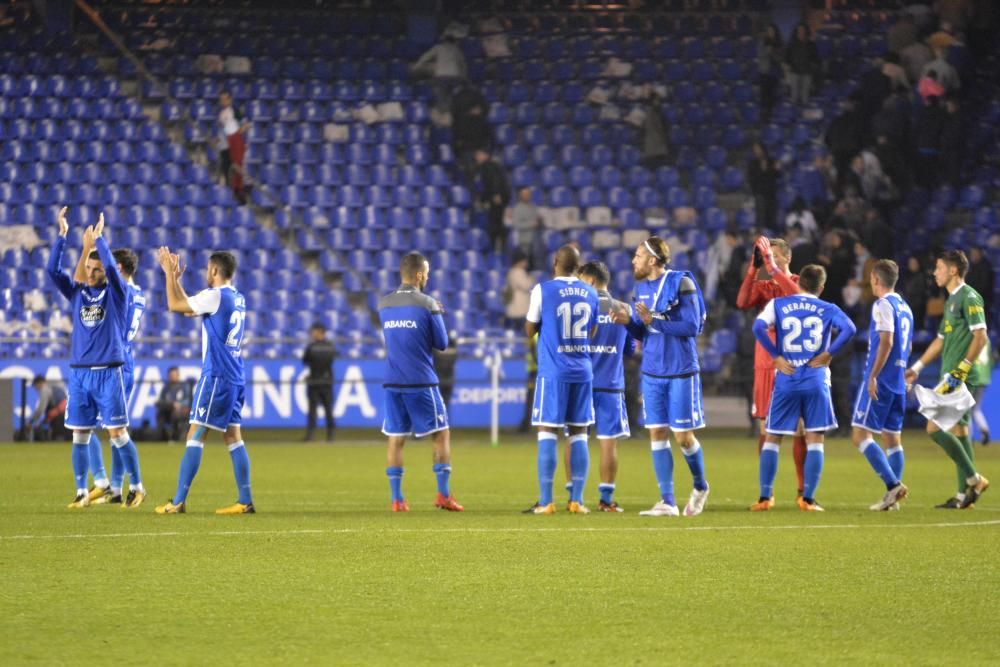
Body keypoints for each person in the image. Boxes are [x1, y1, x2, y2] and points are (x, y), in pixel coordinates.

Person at [46, 208, 146, 509]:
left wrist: (99, 240)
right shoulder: (77, 292)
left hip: (109, 371)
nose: (90, 274)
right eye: (88, 269)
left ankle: (135, 486)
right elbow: (53, 271)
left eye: (96, 269)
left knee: (117, 433)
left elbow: (114, 274)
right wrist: (63, 235)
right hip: (79, 372)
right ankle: (84, 491)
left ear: (107, 271)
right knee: (79, 432)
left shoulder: (117, 294)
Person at [612, 236, 710, 517]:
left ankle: (700, 485)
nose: (633, 260)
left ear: (652, 260)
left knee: (683, 437)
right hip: (652, 370)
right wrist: (629, 323)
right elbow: (645, 332)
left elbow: (691, 326)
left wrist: (653, 319)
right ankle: (667, 501)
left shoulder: (682, 283)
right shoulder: (640, 287)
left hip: (680, 368)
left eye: (638, 255)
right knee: (656, 432)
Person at [154, 247, 255, 515]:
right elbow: (189, 309)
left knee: (194, 434)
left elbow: (175, 306)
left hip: (217, 376)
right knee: (233, 436)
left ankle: (178, 501)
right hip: (235, 375)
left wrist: (167, 274)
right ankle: (245, 500)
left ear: (214, 270)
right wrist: (176, 280)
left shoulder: (214, 296)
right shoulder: (237, 297)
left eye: (207, 269)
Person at [751, 264, 857, 512]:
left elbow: (758, 327)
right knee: (815, 439)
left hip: (786, 378)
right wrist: (829, 353)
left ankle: (765, 497)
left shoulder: (779, 304)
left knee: (772, 437)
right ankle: (808, 499)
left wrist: (776, 355)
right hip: (815, 379)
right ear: (821, 287)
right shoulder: (828, 308)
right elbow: (850, 328)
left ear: (799, 284)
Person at [376, 251, 463, 513]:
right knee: (441, 434)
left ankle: (397, 499)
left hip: (392, 381)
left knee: (396, 437)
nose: (428, 277)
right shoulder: (428, 304)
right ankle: (443, 495)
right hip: (421, 381)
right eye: (427, 272)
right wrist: (436, 313)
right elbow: (442, 343)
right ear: (418, 274)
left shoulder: (384, 304)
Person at [905, 250, 990, 509]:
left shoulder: (969, 297)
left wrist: (962, 368)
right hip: (952, 374)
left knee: (933, 428)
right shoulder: (951, 301)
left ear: (953, 271)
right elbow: (941, 340)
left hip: (960, 376)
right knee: (960, 431)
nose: (935, 272)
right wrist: (917, 366)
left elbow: (981, 336)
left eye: (939, 268)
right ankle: (964, 496)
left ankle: (974, 479)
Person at [523, 245, 598, 515]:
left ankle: (546, 501)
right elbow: (592, 329)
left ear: (555, 263)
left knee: (547, 431)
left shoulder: (543, 290)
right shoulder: (591, 292)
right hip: (582, 370)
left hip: (554, 372)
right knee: (579, 434)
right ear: (578, 268)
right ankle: (576, 500)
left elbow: (530, 328)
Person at [72, 237, 145, 505]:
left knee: (113, 429)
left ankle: (112, 485)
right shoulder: (139, 293)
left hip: (114, 361)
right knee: (112, 428)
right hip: (124, 360)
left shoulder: (119, 290)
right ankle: (113, 487)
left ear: (119, 268)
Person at [735, 236, 808, 505]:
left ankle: (803, 492)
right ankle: (766, 494)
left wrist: (772, 267)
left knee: (799, 428)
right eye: (767, 256)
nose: (770, 261)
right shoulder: (764, 287)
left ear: (787, 258)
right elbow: (742, 301)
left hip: (793, 365)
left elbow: (798, 298)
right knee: (767, 428)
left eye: (775, 256)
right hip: (766, 364)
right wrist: (754, 268)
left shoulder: (800, 282)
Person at [850, 260, 912, 511]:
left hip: (882, 379)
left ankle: (893, 485)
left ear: (876, 279)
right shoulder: (905, 307)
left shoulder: (883, 305)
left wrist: (873, 376)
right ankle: (892, 499)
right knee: (892, 439)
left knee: (860, 435)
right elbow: (904, 346)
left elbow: (886, 341)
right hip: (897, 380)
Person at [575, 260, 636, 512]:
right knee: (609, 442)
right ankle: (606, 500)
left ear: (589, 281)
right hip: (611, 385)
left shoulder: (580, 308)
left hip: (581, 384)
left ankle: (574, 498)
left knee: (577, 439)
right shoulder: (624, 309)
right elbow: (631, 350)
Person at [411, 34, 467, 116]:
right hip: (455, 78)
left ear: (444, 41)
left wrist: (416, 66)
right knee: (451, 96)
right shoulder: (456, 49)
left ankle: (443, 114)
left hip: (442, 77)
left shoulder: (438, 47)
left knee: (441, 95)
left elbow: (426, 57)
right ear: (453, 42)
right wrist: (464, 76)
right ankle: (450, 113)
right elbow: (463, 63)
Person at [302, 322, 336, 442]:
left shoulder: (311, 347)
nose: (312, 334)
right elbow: (332, 359)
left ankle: (310, 435)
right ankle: (330, 436)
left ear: (320, 332)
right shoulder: (330, 346)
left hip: (314, 381)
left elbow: (305, 360)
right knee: (328, 409)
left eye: (314, 331)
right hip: (327, 381)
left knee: (313, 410)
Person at [474, 149, 511, 255]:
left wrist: (496, 194)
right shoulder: (486, 166)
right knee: (495, 223)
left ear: (485, 155)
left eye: (478, 155)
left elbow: (495, 180)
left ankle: (498, 247)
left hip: (498, 199)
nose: (476, 158)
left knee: (497, 223)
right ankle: (496, 246)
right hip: (497, 199)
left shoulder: (489, 166)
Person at [217, 90, 251, 204]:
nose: (223, 101)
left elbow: (247, 124)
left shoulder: (234, 110)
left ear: (230, 99)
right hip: (227, 141)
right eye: (221, 99)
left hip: (235, 139)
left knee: (238, 164)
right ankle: (236, 188)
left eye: (225, 99)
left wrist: (237, 133)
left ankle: (240, 189)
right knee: (233, 165)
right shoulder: (221, 114)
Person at [747, 141, 780, 230]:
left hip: (771, 193)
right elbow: (752, 178)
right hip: (759, 193)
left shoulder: (771, 161)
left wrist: (776, 169)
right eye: (755, 149)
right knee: (761, 218)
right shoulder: (752, 163)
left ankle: (772, 235)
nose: (757, 151)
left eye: (758, 149)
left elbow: (777, 175)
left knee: (771, 216)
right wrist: (762, 170)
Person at [785, 22, 819, 105]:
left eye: (803, 30)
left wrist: (813, 66)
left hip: (807, 72)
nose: (801, 32)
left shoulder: (811, 44)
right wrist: (788, 66)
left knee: (805, 96)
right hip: (794, 72)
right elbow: (787, 58)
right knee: (794, 96)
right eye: (799, 30)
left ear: (806, 31)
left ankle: (803, 113)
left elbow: (816, 58)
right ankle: (793, 113)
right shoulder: (791, 44)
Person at [155, 367, 191, 442]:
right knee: (160, 414)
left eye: (174, 375)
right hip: (168, 409)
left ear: (178, 375)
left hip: (181, 410)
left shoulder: (184, 386)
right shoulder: (166, 388)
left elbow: (188, 399)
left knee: (175, 414)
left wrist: (180, 404)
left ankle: (175, 437)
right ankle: (163, 438)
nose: (172, 377)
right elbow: (161, 399)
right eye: (171, 375)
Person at [28, 376, 68, 441]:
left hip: (58, 417)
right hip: (66, 415)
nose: (36, 389)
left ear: (39, 383)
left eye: (36, 386)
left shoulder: (44, 390)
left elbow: (40, 409)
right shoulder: (54, 388)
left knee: (57, 437)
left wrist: (31, 421)